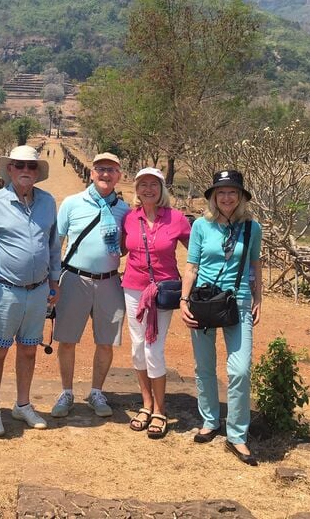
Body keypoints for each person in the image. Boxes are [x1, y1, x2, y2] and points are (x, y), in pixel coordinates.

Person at [179, 170, 262, 465]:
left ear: (240, 197)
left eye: (232, 192)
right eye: (221, 192)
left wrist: (258, 298)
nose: (226, 197)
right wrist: (184, 299)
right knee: (204, 365)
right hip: (203, 301)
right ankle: (210, 420)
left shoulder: (253, 228)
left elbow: (254, 266)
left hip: (237, 303)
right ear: (213, 196)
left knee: (239, 370)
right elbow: (192, 265)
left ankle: (237, 435)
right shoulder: (201, 225)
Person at [0, 145, 61, 436]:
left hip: (38, 291)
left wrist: (55, 280)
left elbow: (53, 244)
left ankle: (23, 404)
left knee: (28, 349)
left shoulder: (48, 202)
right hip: (5, 289)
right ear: (10, 169)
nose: (26, 170)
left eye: (31, 166)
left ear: (37, 172)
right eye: (19, 165)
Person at [51, 152, 130, 419]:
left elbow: (127, 247)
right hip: (74, 279)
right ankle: (67, 392)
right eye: (100, 169)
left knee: (106, 342)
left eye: (111, 170)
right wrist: (53, 279)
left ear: (119, 175)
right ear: (92, 173)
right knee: (67, 339)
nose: (105, 174)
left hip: (109, 281)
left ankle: (97, 391)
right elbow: (57, 243)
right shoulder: (72, 203)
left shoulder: (124, 210)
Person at [121, 168, 191, 439]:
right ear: (136, 189)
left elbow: (195, 250)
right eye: (143, 185)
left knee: (153, 349)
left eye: (154, 184)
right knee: (138, 349)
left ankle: (160, 410)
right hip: (133, 289)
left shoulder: (176, 219)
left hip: (163, 291)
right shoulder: (129, 218)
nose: (148, 189)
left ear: (162, 189)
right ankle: (146, 403)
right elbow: (121, 248)